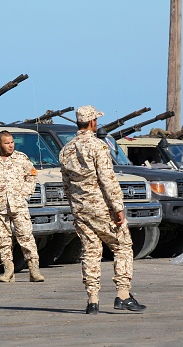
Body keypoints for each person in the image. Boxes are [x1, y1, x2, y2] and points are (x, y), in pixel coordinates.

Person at [59, 105, 145, 315]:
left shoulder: (65, 149)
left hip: (80, 208)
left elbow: (66, 185)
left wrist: (76, 208)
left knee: (90, 252)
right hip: (101, 206)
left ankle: (93, 301)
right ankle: (123, 295)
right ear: (92, 123)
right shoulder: (98, 146)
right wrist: (118, 208)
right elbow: (107, 179)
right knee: (123, 245)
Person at [0, 130, 44, 283]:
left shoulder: (21, 159)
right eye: (7, 143)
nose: (10, 145)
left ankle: (34, 270)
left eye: (12, 142)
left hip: (19, 206)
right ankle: (8, 271)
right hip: (0, 207)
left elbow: (32, 176)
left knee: (26, 238)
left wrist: (24, 194)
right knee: (3, 240)